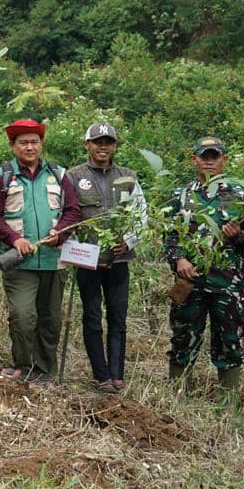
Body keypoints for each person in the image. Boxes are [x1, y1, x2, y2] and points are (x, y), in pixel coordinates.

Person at [164, 136, 244, 402]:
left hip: (229, 285)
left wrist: (240, 237)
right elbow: (169, 235)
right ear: (194, 160)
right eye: (204, 156)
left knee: (229, 341)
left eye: (215, 156)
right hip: (191, 281)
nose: (209, 161)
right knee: (183, 339)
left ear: (224, 160)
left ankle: (226, 404)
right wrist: (179, 260)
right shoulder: (181, 196)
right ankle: (177, 400)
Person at [0, 118, 81, 382]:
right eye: (23, 142)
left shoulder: (59, 175)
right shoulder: (1, 176)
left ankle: (45, 371)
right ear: (13, 146)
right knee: (23, 316)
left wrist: (60, 232)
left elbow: (73, 211)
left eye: (34, 142)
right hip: (20, 262)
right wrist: (14, 238)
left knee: (51, 319)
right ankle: (22, 366)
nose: (29, 147)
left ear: (41, 144)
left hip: (54, 260)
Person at [65, 123, 148, 394]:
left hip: (119, 260)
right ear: (87, 144)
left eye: (108, 142)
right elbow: (66, 216)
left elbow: (141, 214)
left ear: (114, 146)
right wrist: (73, 248)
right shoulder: (73, 177)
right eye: (98, 141)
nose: (103, 147)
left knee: (118, 316)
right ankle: (101, 375)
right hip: (87, 260)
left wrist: (129, 240)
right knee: (91, 317)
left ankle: (117, 373)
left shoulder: (128, 177)